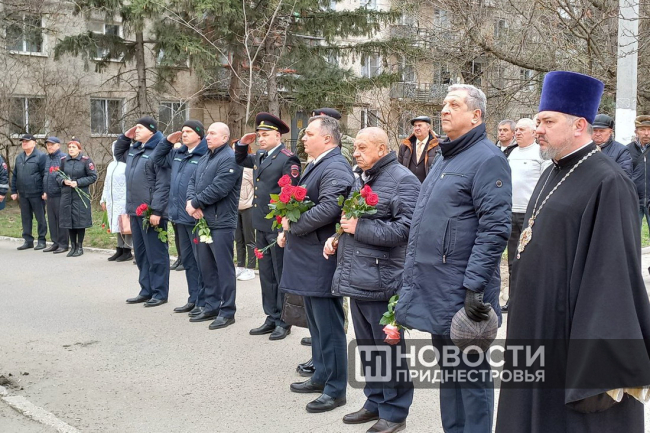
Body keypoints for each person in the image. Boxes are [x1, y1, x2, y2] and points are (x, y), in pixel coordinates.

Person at [495, 71, 650, 433]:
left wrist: (596, 363)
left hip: (569, 335)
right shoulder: (553, 170)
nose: (539, 130)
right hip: (534, 325)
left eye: (548, 122)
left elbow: (613, 278)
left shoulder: (609, 181)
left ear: (579, 125)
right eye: (538, 122)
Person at [395, 84, 512, 433]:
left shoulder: (488, 158)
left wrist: (475, 286)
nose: (444, 110)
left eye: (454, 105)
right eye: (444, 104)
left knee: (471, 377)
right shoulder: (446, 155)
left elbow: (495, 229)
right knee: (449, 372)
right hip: (437, 285)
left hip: (463, 291)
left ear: (476, 115)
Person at [325, 127, 419, 433]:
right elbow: (351, 220)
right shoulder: (361, 177)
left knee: (388, 351)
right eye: (355, 147)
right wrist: (336, 238)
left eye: (363, 147)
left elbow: (407, 230)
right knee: (368, 347)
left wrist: (359, 229)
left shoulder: (403, 180)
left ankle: (395, 412)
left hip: (383, 280)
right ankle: (375, 401)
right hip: (358, 277)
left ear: (382, 148)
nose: (356, 152)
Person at [279, 115, 354, 413]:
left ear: (327, 138)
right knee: (317, 324)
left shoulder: (335, 165)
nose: (303, 137)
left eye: (309, 133)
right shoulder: (318, 163)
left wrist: (294, 225)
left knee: (329, 325)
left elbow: (330, 207)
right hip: (309, 257)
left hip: (320, 258)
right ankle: (321, 375)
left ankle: (335, 390)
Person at [235, 112, 301, 340]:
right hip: (261, 223)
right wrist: (242, 144)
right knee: (266, 275)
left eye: (265, 135)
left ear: (278, 136)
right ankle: (271, 316)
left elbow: (289, 195)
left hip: (276, 225)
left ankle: (284, 321)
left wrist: (284, 228)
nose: (260, 139)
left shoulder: (288, 159)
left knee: (280, 274)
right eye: (259, 135)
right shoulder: (261, 155)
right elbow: (241, 160)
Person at [187, 122, 242, 330]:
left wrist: (196, 203)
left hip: (221, 222)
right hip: (203, 220)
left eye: (212, 133)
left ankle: (227, 311)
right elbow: (192, 181)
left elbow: (220, 188)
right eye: (207, 133)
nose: (207, 137)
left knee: (223, 268)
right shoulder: (206, 157)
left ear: (225, 138)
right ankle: (211, 305)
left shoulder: (230, 158)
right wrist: (191, 203)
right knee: (207, 266)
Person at [151, 120, 208, 314]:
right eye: (183, 131)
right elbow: (157, 158)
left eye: (189, 131)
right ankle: (193, 298)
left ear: (199, 135)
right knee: (188, 261)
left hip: (196, 216)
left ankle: (204, 300)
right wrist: (167, 141)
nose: (184, 134)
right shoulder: (178, 154)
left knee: (201, 261)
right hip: (179, 216)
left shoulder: (205, 154)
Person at [114, 117, 171, 308]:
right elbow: (118, 153)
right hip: (135, 210)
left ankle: (159, 292)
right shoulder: (136, 149)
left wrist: (157, 210)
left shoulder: (159, 150)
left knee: (156, 253)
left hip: (151, 213)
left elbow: (163, 184)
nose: (136, 130)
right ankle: (146, 290)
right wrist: (125, 137)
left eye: (140, 128)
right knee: (140, 253)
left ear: (151, 131)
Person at [501, 118, 551, 312]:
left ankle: (532, 300)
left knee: (530, 259)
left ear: (533, 132)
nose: (518, 133)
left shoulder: (540, 153)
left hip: (530, 215)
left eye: (522, 130)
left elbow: (545, 184)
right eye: (517, 130)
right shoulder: (512, 153)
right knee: (513, 259)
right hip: (511, 212)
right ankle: (513, 299)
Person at [57, 139, 98, 257]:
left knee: (80, 221)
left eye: (73, 147)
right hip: (67, 195)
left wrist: (78, 182)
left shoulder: (85, 161)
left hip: (80, 196)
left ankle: (80, 247)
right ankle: (73, 246)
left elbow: (93, 176)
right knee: (69, 221)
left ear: (79, 149)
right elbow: (58, 175)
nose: (71, 149)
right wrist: (63, 181)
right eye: (69, 147)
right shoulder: (64, 160)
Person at [11, 133, 47, 250]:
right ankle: (28, 240)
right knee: (26, 218)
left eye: (27, 141)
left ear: (34, 143)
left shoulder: (41, 156)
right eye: (23, 142)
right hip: (23, 193)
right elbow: (15, 175)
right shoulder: (19, 157)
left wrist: (44, 191)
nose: (24, 143)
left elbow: (44, 175)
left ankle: (42, 240)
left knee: (40, 218)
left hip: (36, 193)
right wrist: (14, 191)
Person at [101, 141, 132, 262]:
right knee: (117, 224)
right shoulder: (111, 165)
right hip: (112, 201)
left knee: (126, 224)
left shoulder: (128, 164)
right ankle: (119, 248)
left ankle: (127, 250)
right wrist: (103, 199)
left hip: (124, 200)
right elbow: (106, 183)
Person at [42, 137, 69, 253]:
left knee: (61, 220)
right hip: (49, 194)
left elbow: (66, 175)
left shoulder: (63, 158)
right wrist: (45, 191)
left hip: (60, 194)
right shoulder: (47, 158)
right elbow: (45, 175)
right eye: (48, 145)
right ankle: (55, 242)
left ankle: (63, 244)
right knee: (52, 220)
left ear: (58, 145)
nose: (49, 147)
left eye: (52, 145)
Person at [397, 115, 441, 183]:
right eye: (415, 126)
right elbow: (399, 169)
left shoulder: (438, 145)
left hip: (429, 186)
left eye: (419, 125)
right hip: (408, 186)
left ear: (428, 127)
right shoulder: (405, 146)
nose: (417, 128)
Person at [627, 115, 650, 228]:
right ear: (636, 131)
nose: (646, 133)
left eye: (649, 130)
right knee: (633, 233)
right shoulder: (626, 150)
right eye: (642, 129)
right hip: (634, 199)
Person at [234, 161, 255, 282]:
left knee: (249, 238)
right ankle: (240, 265)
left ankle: (251, 268)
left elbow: (256, 187)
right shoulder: (231, 168)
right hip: (235, 207)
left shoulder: (249, 169)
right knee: (238, 238)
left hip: (248, 207)